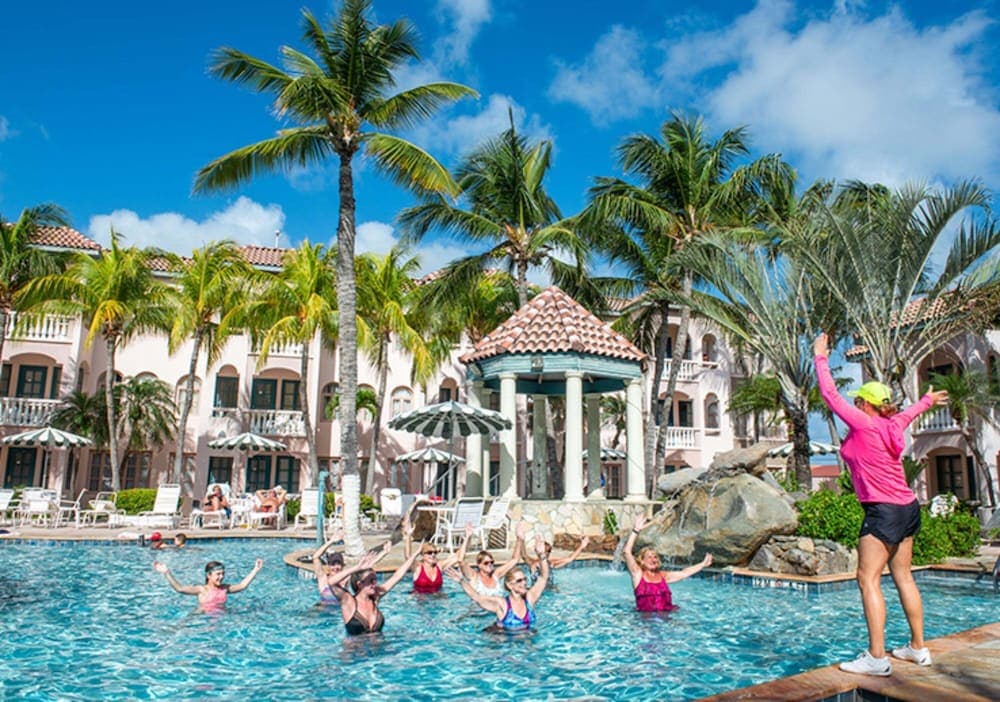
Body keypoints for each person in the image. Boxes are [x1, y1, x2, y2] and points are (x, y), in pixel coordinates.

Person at [814, 332, 948, 676]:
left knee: (867, 578)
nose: (855, 404)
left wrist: (820, 357)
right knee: (903, 575)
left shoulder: (863, 422)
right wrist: (927, 400)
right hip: (907, 507)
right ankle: (918, 648)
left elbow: (830, 395)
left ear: (864, 403)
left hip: (883, 510)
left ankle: (876, 657)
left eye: (859, 400)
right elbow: (911, 412)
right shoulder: (892, 423)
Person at [445, 535, 550, 632]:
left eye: (524, 579)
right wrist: (461, 581)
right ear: (509, 585)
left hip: (527, 641)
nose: (524, 583)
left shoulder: (530, 599)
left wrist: (542, 555)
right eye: (519, 581)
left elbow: (543, 577)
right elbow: (476, 597)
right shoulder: (501, 604)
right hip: (504, 639)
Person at [625, 514, 712, 612]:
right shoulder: (637, 575)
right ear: (642, 561)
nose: (653, 560)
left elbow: (684, 573)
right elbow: (627, 552)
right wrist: (636, 530)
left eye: (655, 557)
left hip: (666, 617)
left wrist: (702, 564)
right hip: (645, 618)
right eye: (649, 557)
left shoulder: (663, 576)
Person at [329, 546, 421, 635]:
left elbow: (396, 576)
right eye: (371, 580)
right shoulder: (349, 601)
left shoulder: (375, 597)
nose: (375, 583)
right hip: (355, 646)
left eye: (375, 580)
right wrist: (357, 568)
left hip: (380, 644)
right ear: (360, 584)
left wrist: (415, 554)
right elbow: (331, 583)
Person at [153, 559, 264, 612]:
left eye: (223, 574)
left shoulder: (224, 588)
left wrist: (256, 569)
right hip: (202, 617)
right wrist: (167, 573)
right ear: (209, 575)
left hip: (223, 617)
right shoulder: (202, 590)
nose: (221, 577)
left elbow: (242, 585)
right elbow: (179, 588)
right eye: (218, 574)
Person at [454, 521, 525, 597]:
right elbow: (460, 560)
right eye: (486, 563)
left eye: (491, 562)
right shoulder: (474, 577)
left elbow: (514, 560)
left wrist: (519, 539)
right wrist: (467, 537)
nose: (489, 564)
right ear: (479, 565)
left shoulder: (496, 575)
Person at [402, 517, 459, 593]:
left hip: (438, 598)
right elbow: (408, 556)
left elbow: (458, 557)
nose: (433, 555)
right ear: (422, 555)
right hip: (421, 598)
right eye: (429, 552)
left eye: (435, 552)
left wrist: (468, 537)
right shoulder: (417, 567)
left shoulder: (439, 566)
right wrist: (408, 535)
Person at [524, 534, 591, 587]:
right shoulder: (533, 564)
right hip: (537, 592)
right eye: (546, 551)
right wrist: (520, 540)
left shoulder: (551, 563)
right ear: (537, 551)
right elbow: (523, 555)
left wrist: (582, 546)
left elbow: (569, 559)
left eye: (549, 551)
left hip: (550, 590)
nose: (547, 553)